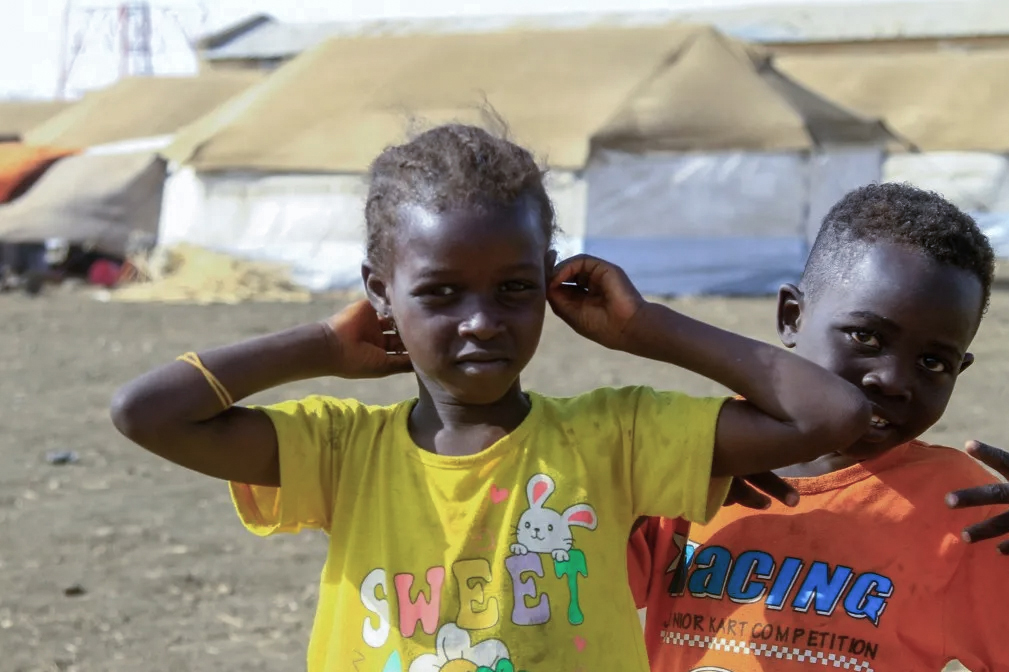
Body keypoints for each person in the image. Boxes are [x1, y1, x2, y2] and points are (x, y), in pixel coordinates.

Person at [110, 123, 870, 672]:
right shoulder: (340, 451)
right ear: (380, 288)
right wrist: (321, 346)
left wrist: (647, 328)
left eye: (512, 288)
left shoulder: (615, 437)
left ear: (547, 278)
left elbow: (830, 415)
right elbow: (145, 412)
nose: (481, 321)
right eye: (440, 293)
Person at [629, 182, 1009, 672]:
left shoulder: (966, 510)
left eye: (933, 362)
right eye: (866, 336)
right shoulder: (699, 454)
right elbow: (569, 590)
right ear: (792, 317)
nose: (893, 381)